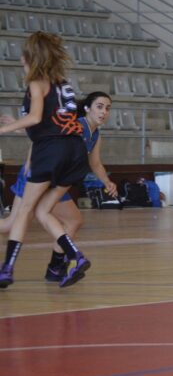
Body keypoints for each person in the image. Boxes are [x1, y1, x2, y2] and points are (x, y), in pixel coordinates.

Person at [0, 32, 95, 288]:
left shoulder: (36, 82)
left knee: (25, 211)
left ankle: (6, 269)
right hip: (75, 150)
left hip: (51, 151)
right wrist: (20, 126)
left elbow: (34, 118)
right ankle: (76, 255)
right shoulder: (62, 82)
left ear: (30, 56)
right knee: (43, 211)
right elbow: (51, 121)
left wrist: (5, 129)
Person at [0, 91, 117, 284]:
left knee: (74, 220)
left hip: (56, 180)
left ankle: (55, 267)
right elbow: (45, 141)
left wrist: (107, 182)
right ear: (87, 108)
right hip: (37, 174)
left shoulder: (95, 134)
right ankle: (54, 265)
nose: (104, 111)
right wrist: (30, 164)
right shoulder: (76, 126)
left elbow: (95, 163)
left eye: (107, 108)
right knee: (10, 225)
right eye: (99, 106)